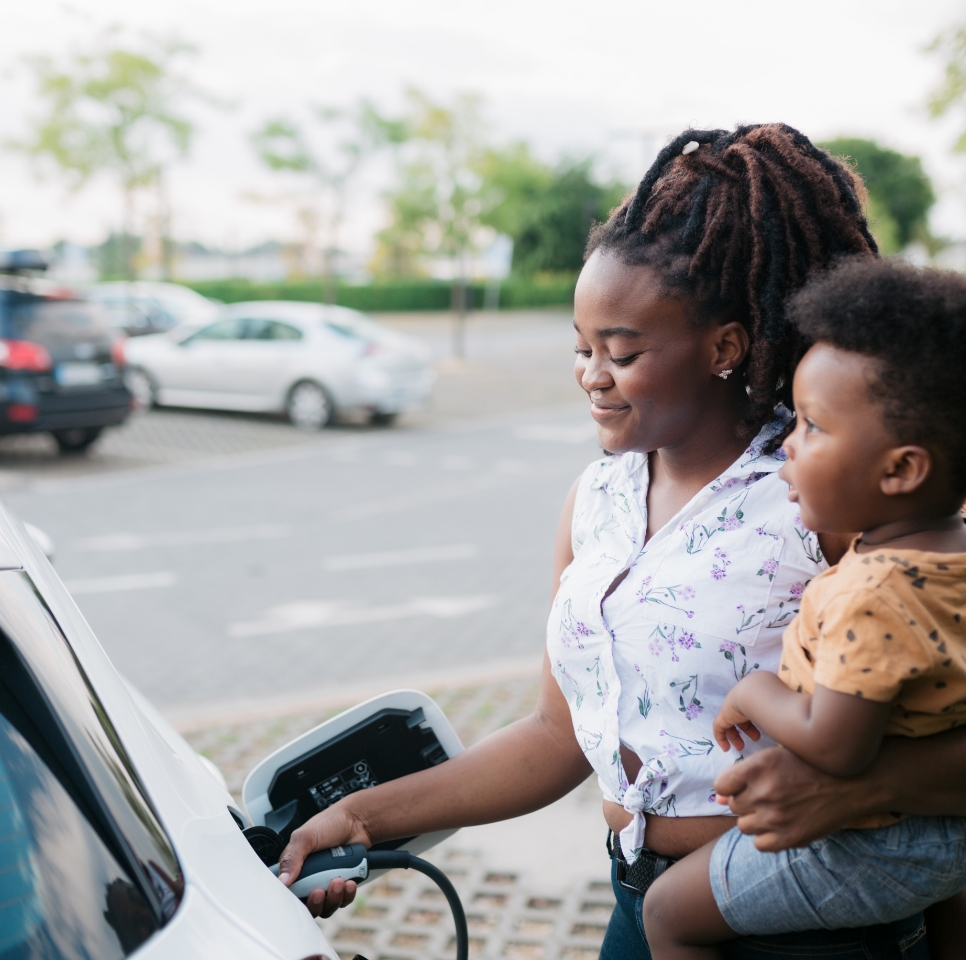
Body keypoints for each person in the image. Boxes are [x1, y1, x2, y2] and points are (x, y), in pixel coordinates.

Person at [277, 125, 966, 958]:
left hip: (809, 921)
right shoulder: (595, 500)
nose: (591, 374)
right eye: (580, 347)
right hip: (642, 906)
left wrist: (866, 788)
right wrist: (359, 816)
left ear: (725, 346)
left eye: (622, 350)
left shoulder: (823, 488)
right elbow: (554, 737)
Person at [641, 258, 966, 960]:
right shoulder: (950, 557)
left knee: (667, 913)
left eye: (813, 427)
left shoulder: (875, 589)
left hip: (877, 840)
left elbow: (838, 746)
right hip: (945, 836)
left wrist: (755, 690)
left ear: (902, 469)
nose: (788, 442)